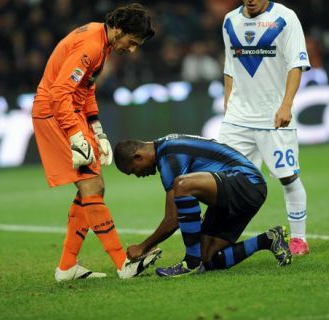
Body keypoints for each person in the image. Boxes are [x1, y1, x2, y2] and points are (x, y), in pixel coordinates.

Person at [31, 3, 161, 282]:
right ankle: (123, 262)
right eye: (132, 42)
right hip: (55, 112)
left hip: (71, 112)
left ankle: (67, 266)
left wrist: (96, 128)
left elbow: (86, 87)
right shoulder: (90, 45)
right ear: (118, 29)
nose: (132, 49)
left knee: (91, 188)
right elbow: (59, 93)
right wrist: (75, 135)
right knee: (91, 185)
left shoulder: (100, 41)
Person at [114, 134, 292, 277]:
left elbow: (173, 219)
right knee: (207, 258)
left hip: (247, 182)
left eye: (133, 171)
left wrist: (143, 247)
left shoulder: (168, 154)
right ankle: (268, 239)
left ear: (138, 157)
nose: (138, 175)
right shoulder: (167, 149)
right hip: (237, 191)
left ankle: (190, 263)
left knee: (182, 185)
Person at [218, 0, 311, 255]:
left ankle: (299, 238)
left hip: (273, 116)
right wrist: (228, 100)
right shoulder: (230, 20)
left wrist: (287, 105)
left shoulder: (285, 17)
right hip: (238, 117)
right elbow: (230, 64)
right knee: (224, 180)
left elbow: (296, 63)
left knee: (287, 176)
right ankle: (219, 238)